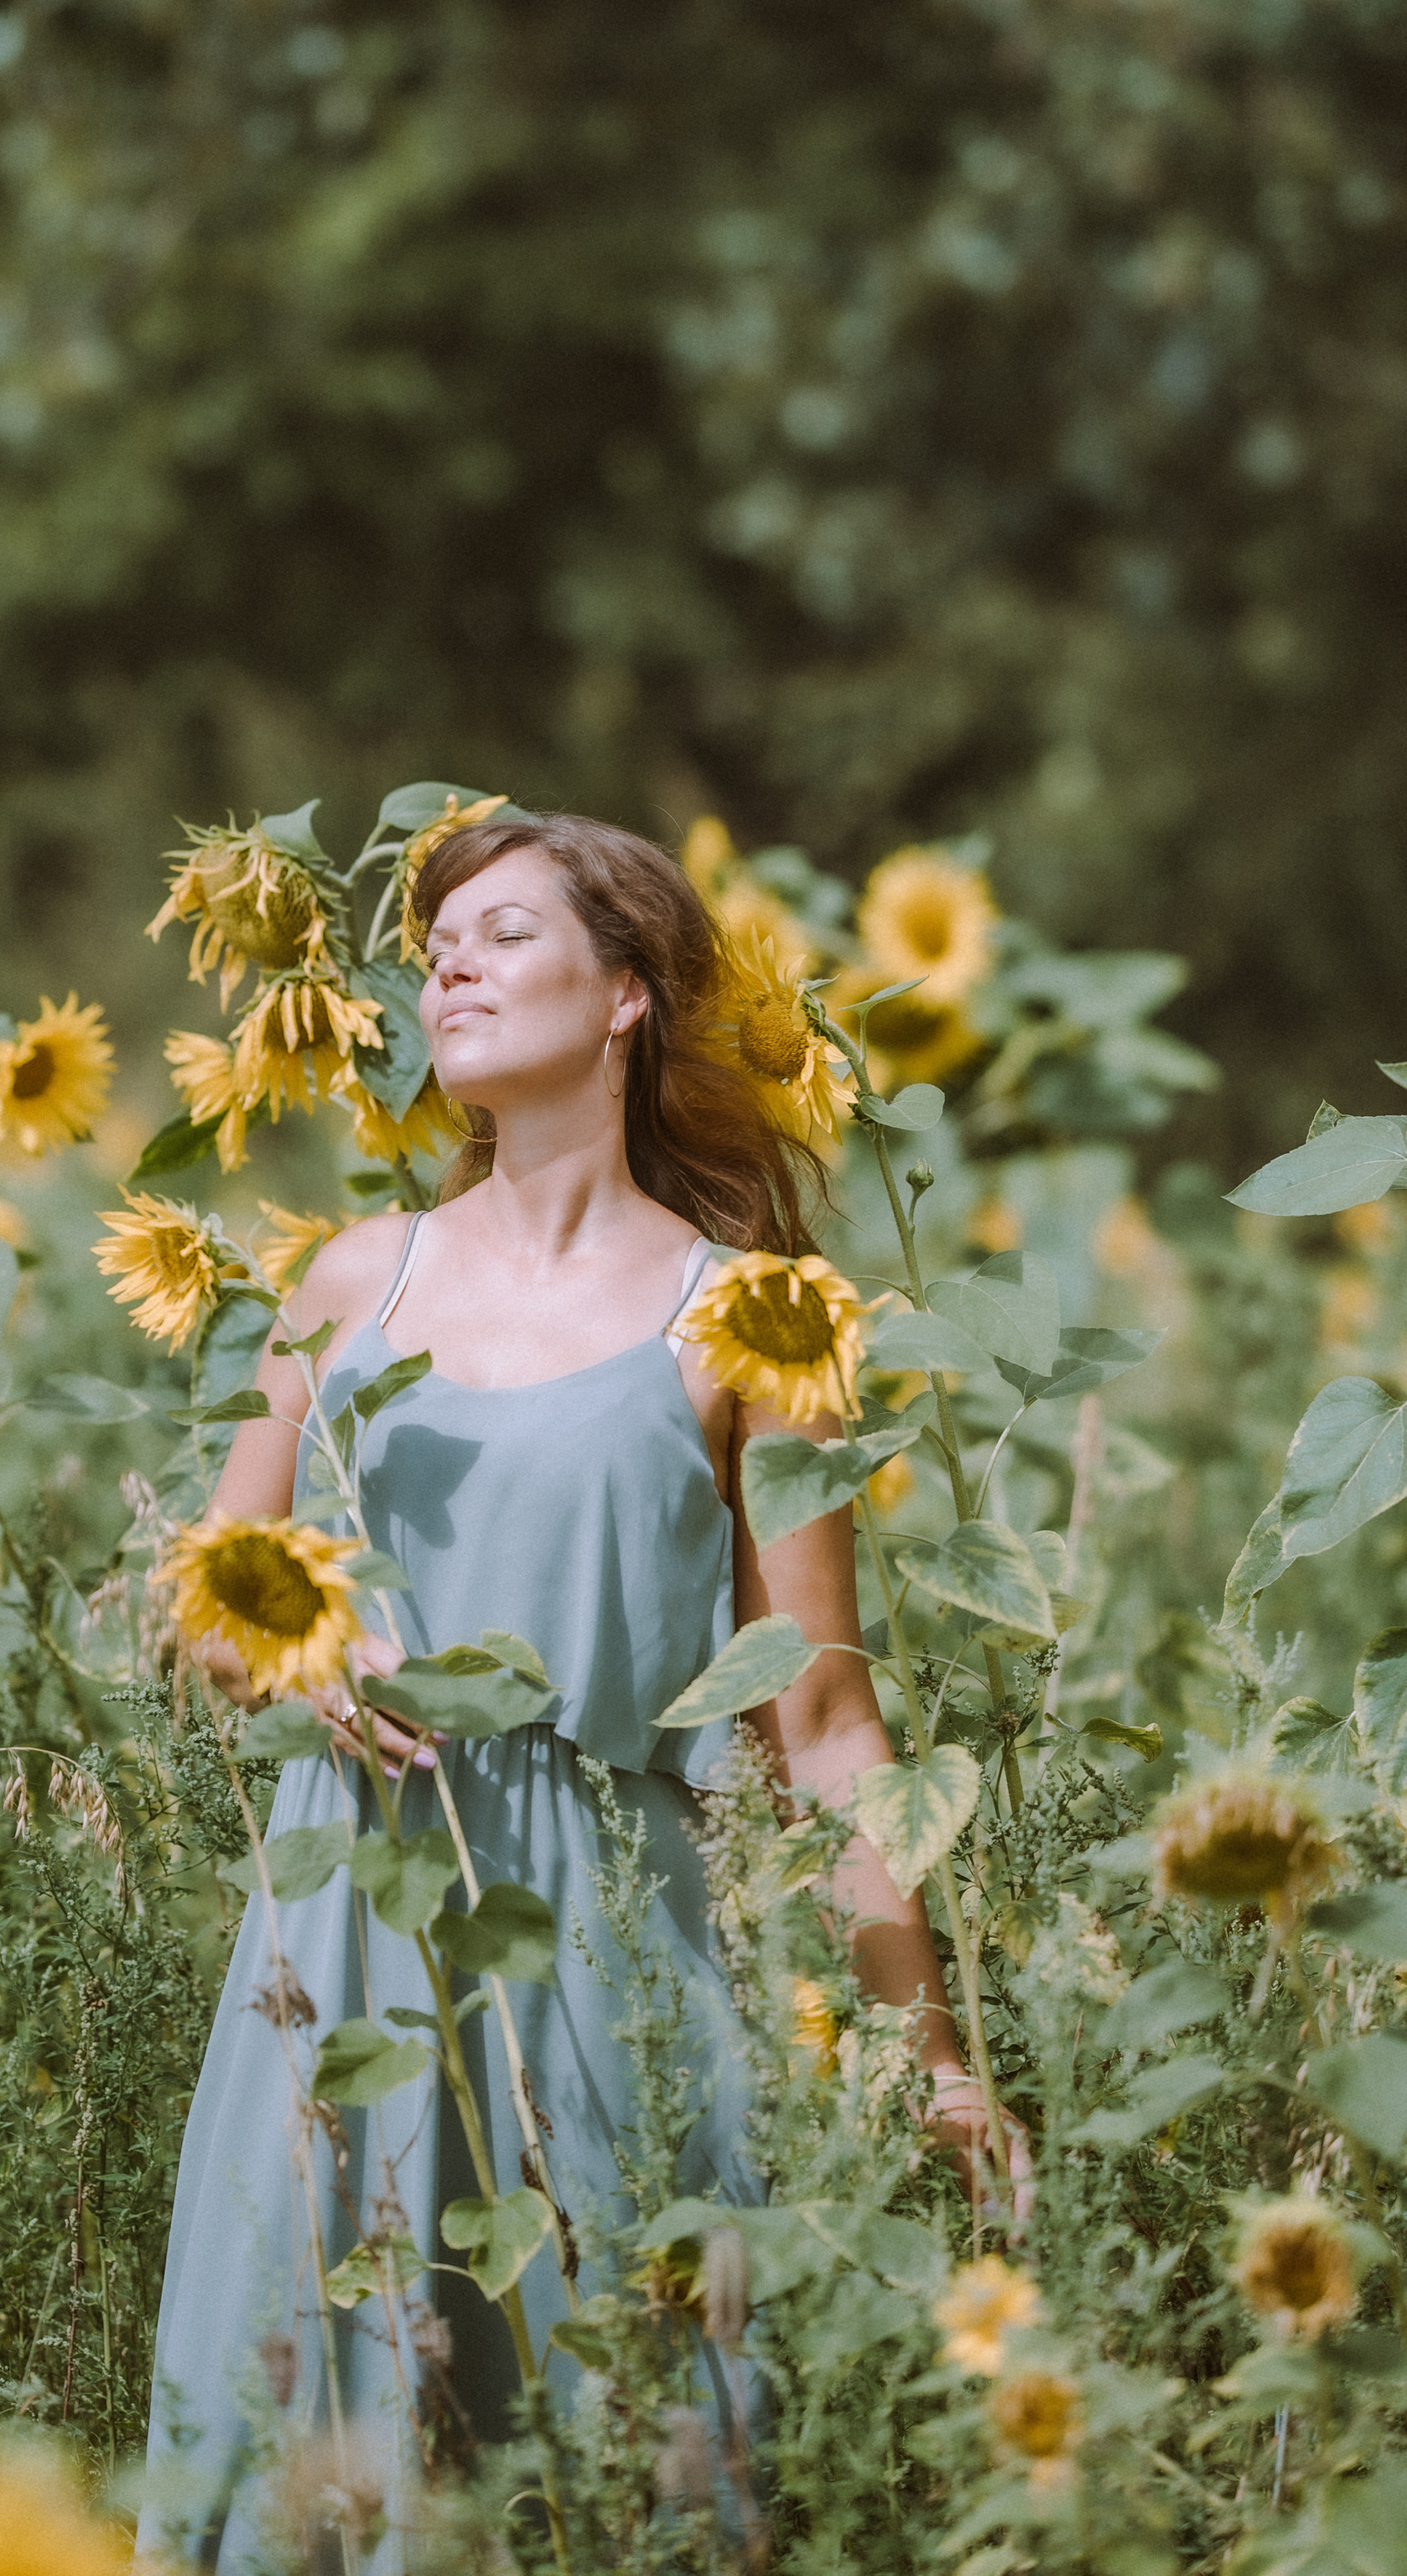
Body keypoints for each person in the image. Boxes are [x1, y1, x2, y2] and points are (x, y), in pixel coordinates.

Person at [144, 813, 1019, 2563]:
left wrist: (931, 2058)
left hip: (614, 1930)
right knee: (297, 2417)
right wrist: (306, 1642)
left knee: (635, 2438)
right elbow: (204, 1616)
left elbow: (826, 1719)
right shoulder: (348, 1278)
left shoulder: (755, 1321)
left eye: (502, 932)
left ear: (625, 994)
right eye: (435, 938)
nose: (444, 963)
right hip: (347, 1934)